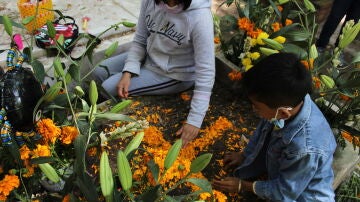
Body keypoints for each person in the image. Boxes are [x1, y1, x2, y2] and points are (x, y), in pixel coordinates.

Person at [212, 53, 337, 201]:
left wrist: (243, 185)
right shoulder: (289, 102)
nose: (253, 109)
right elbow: (263, 131)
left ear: (283, 113)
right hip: (286, 174)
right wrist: (244, 155)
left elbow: (284, 193)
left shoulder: (304, 148)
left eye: (257, 107)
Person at [93, 0, 215, 147]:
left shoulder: (200, 17)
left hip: (174, 73)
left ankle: (98, 119)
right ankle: (93, 109)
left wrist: (195, 120)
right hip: (150, 55)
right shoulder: (151, 1)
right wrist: (128, 70)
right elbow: (140, 39)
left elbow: (206, 71)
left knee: (109, 87)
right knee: (99, 71)